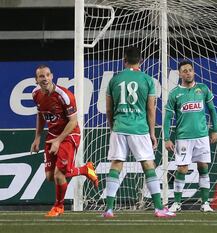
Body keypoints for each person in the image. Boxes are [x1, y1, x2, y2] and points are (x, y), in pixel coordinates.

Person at [102, 47, 176, 218]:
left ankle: (109, 209)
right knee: (148, 165)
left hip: (119, 127)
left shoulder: (114, 79)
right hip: (139, 129)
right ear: (141, 61)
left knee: (116, 164)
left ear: (124, 60)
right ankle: (158, 208)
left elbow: (108, 109)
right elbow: (151, 109)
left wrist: (113, 126)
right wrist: (152, 133)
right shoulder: (148, 80)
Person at [30, 65, 99, 217]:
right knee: (49, 177)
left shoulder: (65, 95)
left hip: (69, 135)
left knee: (59, 175)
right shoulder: (35, 94)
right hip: (52, 135)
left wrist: (59, 141)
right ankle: (85, 169)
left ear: (52, 76)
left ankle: (58, 206)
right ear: (36, 80)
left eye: (48, 75)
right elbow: (41, 115)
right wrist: (37, 137)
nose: (45, 78)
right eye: (41, 76)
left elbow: (73, 122)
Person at [164, 60, 217, 212]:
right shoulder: (175, 93)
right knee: (182, 169)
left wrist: (215, 130)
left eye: (190, 70)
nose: (188, 73)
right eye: (185, 71)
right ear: (180, 74)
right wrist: (166, 138)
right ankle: (176, 203)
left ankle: (205, 203)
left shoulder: (203, 89)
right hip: (183, 137)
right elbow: (168, 117)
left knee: (203, 167)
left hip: (201, 137)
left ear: (193, 72)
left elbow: (212, 111)